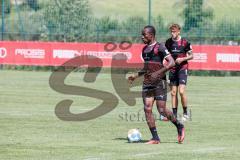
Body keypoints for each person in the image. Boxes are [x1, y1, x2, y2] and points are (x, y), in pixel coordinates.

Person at [128, 25, 185, 144]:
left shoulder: (160, 47)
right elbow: (146, 67)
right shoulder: (144, 50)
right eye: (142, 34)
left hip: (160, 82)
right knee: (147, 108)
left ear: (151, 35)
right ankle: (155, 138)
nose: (142, 36)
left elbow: (172, 62)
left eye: (144, 35)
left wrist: (158, 73)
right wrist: (136, 75)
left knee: (162, 110)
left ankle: (179, 125)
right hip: (148, 83)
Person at [165, 24, 193, 119]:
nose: (172, 34)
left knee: (181, 91)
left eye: (174, 32)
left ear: (179, 31)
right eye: (171, 32)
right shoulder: (168, 42)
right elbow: (165, 55)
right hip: (173, 69)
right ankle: (174, 115)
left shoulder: (185, 42)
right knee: (173, 92)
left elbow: (191, 56)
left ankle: (185, 113)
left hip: (182, 68)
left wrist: (182, 59)